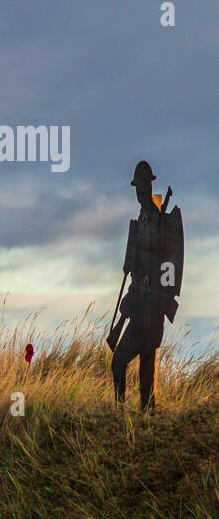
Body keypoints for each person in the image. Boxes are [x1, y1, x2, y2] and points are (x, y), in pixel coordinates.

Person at [109, 161, 184, 410]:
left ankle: (144, 419)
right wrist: (130, 299)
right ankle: (122, 413)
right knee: (121, 362)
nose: (139, 191)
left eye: (142, 186)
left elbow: (160, 267)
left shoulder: (156, 220)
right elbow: (139, 270)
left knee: (144, 375)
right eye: (137, 187)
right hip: (140, 307)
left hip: (151, 309)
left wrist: (152, 298)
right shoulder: (143, 219)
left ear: (148, 185)